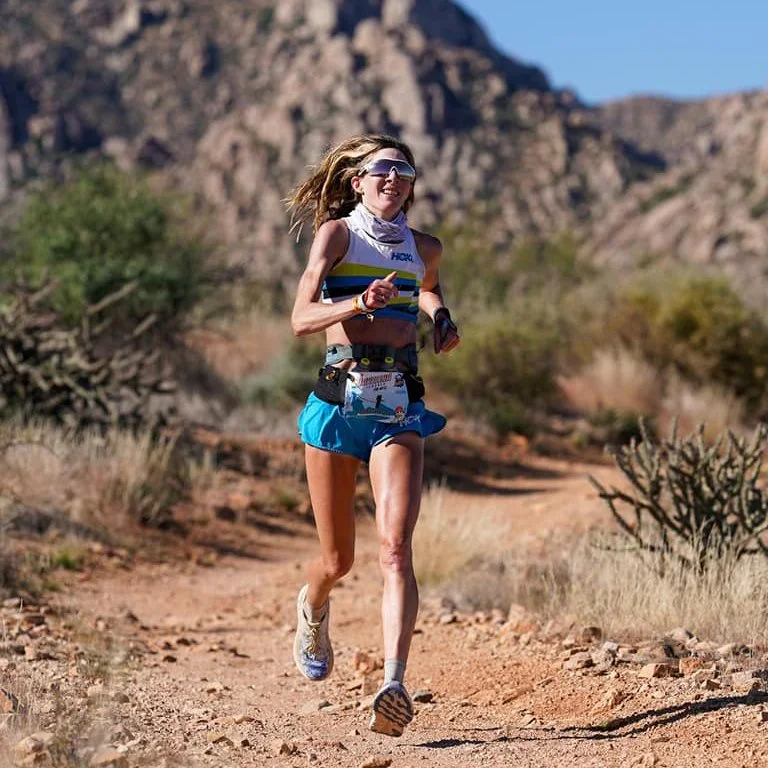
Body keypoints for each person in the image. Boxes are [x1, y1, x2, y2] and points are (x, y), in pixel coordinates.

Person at [286, 134, 460, 737]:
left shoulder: (425, 247)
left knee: (395, 548)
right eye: (381, 169)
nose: (393, 179)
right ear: (357, 181)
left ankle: (393, 682)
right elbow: (300, 318)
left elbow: (427, 284)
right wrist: (358, 302)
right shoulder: (337, 236)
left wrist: (439, 316)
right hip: (339, 402)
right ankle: (313, 605)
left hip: (399, 406)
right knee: (338, 560)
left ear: (411, 186)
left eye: (403, 172)